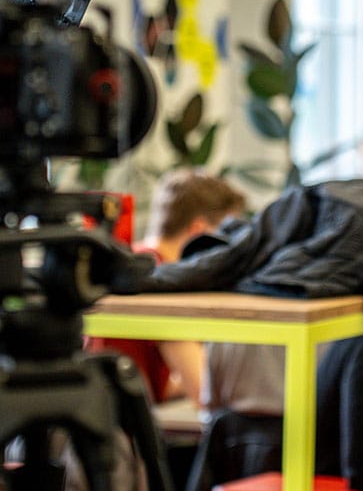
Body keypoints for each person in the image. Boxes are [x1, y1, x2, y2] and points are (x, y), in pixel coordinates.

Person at [86, 168, 247, 404]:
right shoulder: (163, 283)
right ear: (199, 231)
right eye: (225, 237)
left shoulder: (136, 262)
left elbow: (154, 383)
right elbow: (205, 395)